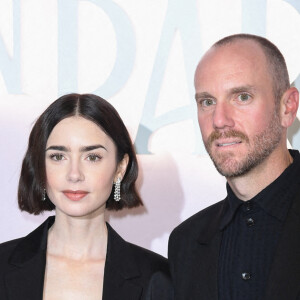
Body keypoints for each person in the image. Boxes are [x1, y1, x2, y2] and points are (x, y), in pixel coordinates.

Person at [168, 34, 300, 299]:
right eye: (207, 102)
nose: (219, 120)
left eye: (242, 97)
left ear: (287, 107)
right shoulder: (186, 242)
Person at [0, 93, 169, 300]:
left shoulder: (157, 277)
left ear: (120, 168)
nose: (74, 174)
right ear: (40, 166)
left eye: (92, 157)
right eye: (58, 156)